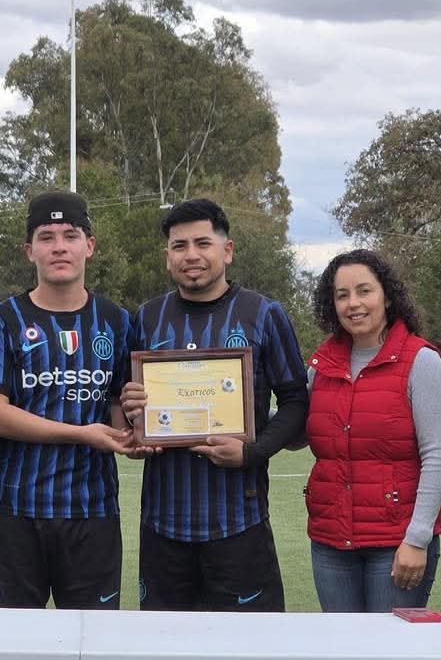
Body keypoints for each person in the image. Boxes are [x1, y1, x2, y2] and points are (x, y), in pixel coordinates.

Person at [119, 199, 308, 612]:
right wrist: (132, 412)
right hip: (163, 525)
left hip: (240, 522)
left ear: (227, 250)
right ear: (167, 256)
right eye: (179, 245)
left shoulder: (263, 313)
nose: (191, 255)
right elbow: (126, 405)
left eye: (202, 243)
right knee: (164, 648)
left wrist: (252, 451)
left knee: (248, 648)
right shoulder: (146, 318)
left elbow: (296, 402)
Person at [0, 190, 135, 609]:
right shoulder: (3, 319)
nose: (59, 246)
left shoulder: (117, 321)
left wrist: (136, 433)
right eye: (47, 237)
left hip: (92, 514)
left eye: (71, 235)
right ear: (30, 251)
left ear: (89, 246)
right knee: (11, 645)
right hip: (17, 512)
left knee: (92, 644)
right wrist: (82, 434)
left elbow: (119, 411)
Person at [302, 249, 441, 612]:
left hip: (397, 543)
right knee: (342, 649)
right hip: (331, 541)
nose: (354, 303)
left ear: (387, 295)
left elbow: (436, 457)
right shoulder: (321, 366)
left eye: (364, 291)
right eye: (342, 295)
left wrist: (417, 539)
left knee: (390, 650)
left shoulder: (421, 361)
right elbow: (298, 431)